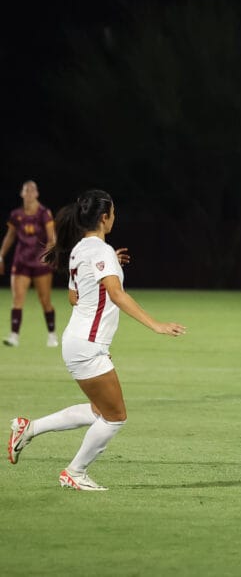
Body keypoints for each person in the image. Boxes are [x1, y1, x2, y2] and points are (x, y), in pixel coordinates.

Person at [7, 189, 186, 490]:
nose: (115, 217)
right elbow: (116, 295)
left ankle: (30, 428)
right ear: (105, 217)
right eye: (113, 213)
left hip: (79, 341)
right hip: (86, 345)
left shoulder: (80, 250)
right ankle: (75, 472)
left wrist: (110, 264)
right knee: (115, 418)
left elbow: (74, 297)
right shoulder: (100, 252)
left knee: (98, 411)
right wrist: (156, 325)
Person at [0, 180, 59, 348]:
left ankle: (52, 335)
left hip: (40, 263)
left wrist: (48, 255)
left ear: (37, 194)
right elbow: (10, 236)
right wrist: (1, 256)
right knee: (17, 299)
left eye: (32, 190)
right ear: (22, 193)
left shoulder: (44, 213)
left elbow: (51, 238)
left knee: (45, 300)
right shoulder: (16, 214)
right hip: (21, 261)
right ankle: (14, 336)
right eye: (26, 190)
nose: (30, 193)